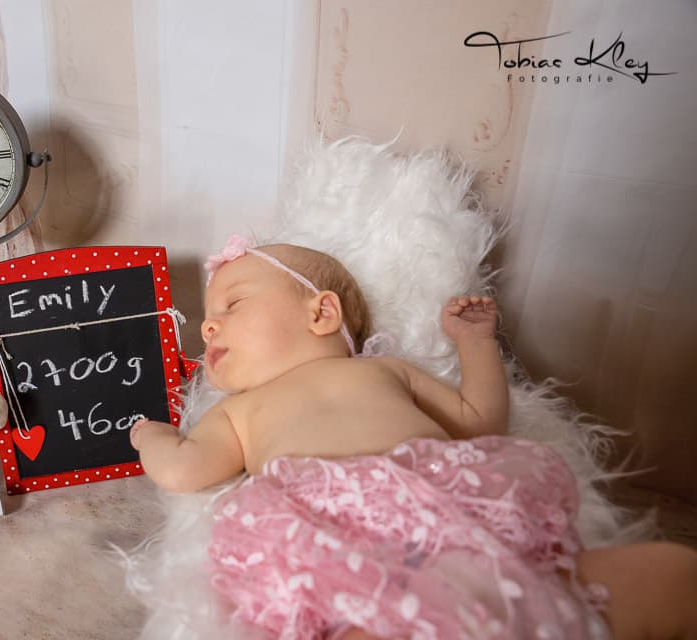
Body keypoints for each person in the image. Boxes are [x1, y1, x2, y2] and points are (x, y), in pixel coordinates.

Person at [130, 236, 697, 640]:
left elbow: (478, 423)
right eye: (209, 318)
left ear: (322, 313)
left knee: (674, 573)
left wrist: (475, 344)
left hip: (462, 522)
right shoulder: (237, 412)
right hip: (347, 549)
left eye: (232, 305)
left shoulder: (385, 371)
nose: (207, 325)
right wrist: (152, 434)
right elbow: (183, 468)